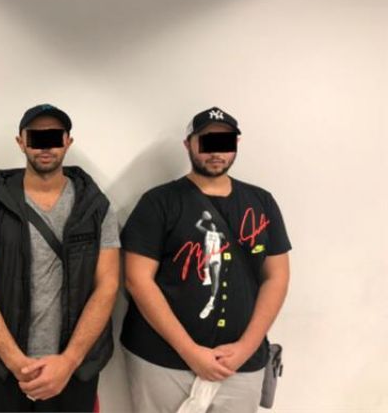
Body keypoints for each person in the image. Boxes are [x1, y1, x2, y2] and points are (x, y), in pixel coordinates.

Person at [121, 107, 291, 413]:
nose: (216, 152)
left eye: (224, 143)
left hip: (241, 363)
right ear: (188, 144)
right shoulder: (159, 202)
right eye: (206, 142)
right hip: (163, 359)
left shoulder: (261, 202)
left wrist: (246, 348)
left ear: (236, 144)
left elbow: (276, 276)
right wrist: (190, 351)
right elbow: (137, 279)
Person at [0, 104, 120, 412]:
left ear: (68, 142)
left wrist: (68, 361)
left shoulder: (97, 208)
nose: (45, 146)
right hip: (0, 370)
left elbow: (108, 286)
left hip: (73, 371)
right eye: (36, 137)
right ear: (21, 142)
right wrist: (17, 363)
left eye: (54, 137)